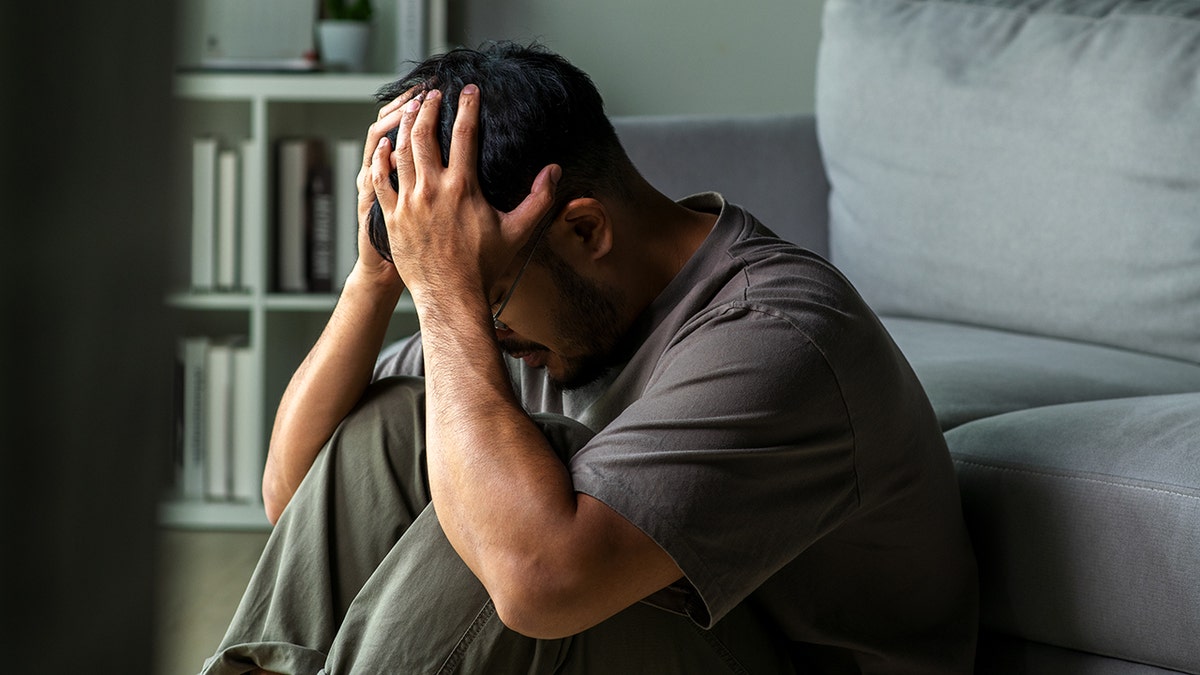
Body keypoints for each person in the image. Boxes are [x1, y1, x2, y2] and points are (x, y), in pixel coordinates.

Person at [201, 42, 978, 674]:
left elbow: (538, 580)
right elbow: (298, 494)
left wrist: (448, 297)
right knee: (393, 429)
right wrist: (377, 275)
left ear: (584, 231)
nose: (483, 323)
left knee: (501, 529)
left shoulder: (780, 335)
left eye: (488, 294)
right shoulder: (544, 310)